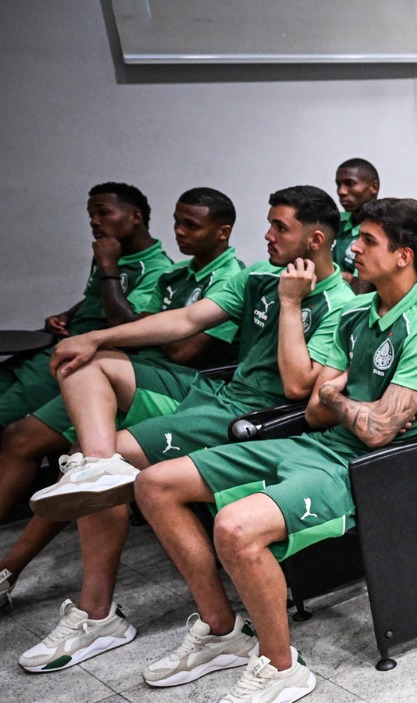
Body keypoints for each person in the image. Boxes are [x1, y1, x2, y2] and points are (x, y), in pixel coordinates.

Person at [133, 198, 417, 703]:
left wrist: (338, 398)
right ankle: (221, 631)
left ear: (404, 256)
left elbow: (378, 431)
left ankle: (282, 668)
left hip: (378, 468)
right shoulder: (356, 312)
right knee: (155, 484)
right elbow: (312, 408)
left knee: (235, 527)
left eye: (368, 241)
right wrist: (344, 403)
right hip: (322, 444)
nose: (353, 249)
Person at [21, 187, 356, 674]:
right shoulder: (259, 275)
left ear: (315, 240)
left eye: (280, 227)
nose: (267, 235)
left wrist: (291, 303)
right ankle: (96, 470)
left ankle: (101, 609)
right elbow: (186, 319)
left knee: (111, 456)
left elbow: (297, 388)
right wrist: (95, 335)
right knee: (83, 363)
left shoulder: (341, 303)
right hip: (214, 393)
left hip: (255, 416)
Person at [0, 189, 239, 607]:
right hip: (135, 373)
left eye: (191, 225)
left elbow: (181, 347)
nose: (179, 232)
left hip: (180, 387)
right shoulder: (177, 275)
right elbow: (135, 324)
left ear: (223, 232)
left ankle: (18, 573)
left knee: (87, 456)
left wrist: (144, 324)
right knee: (63, 450)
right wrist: (130, 328)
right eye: (177, 221)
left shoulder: (232, 277)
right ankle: (12, 572)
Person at [2, 184, 174, 430]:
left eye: (104, 213)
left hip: (82, 357)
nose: (94, 222)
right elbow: (95, 298)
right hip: (55, 345)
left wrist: (108, 266)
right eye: (91, 215)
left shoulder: (158, 269)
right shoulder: (110, 253)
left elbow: (125, 325)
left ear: (136, 217)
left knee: (6, 414)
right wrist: (67, 315)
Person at [332, 158, 380, 280]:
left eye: (349, 183)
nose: (341, 191)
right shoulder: (333, 221)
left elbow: (366, 285)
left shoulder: (384, 230)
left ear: (374, 187)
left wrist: (323, 275)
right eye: (338, 184)